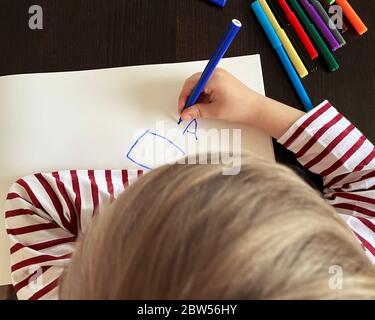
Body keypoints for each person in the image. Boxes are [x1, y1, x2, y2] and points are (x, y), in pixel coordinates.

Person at [4, 69, 375, 300]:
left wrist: (156, 203)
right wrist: (255, 109)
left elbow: (31, 204)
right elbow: (367, 181)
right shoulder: (357, 264)